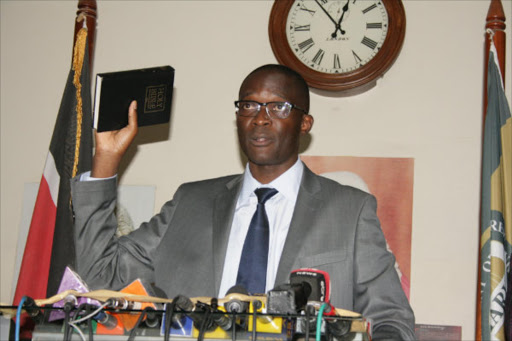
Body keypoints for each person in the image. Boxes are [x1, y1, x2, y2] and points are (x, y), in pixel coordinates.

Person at [71, 64, 416, 339]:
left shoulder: (350, 210)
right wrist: (106, 161)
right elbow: (101, 274)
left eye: (278, 107)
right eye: (249, 105)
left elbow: (391, 321)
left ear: (305, 123)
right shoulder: (190, 202)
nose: (260, 118)